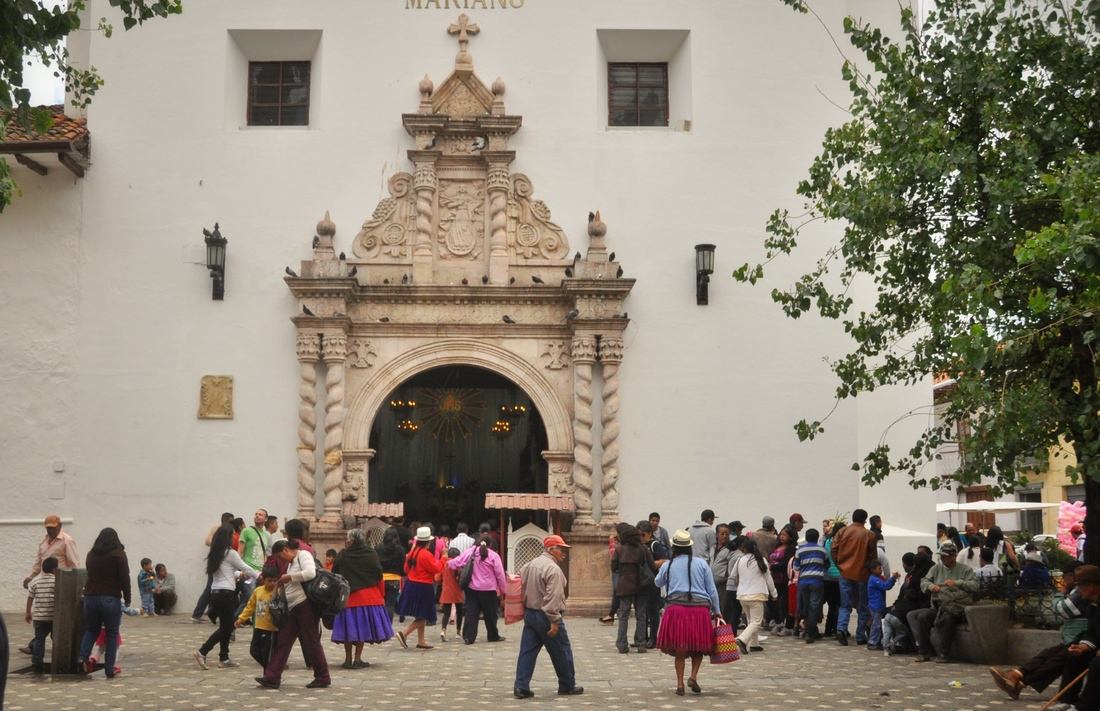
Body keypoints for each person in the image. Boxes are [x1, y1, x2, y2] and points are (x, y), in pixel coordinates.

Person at [990, 562, 1090, 700]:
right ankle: (1017, 675)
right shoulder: (1081, 592)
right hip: (1079, 639)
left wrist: (1060, 594)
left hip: (1085, 640)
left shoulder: (1085, 594)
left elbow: (1063, 609)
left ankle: (1019, 681)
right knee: (1048, 654)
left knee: (1060, 659)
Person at [513, 535, 582, 699]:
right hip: (546, 616)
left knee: (527, 652)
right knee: (561, 650)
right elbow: (554, 597)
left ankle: (521, 686)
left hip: (530, 613)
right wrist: (555, 621)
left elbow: (518, 580)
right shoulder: (553, 569)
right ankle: (567, 684)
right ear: (551, 550)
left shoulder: (531, 564)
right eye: (561, 549)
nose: (564, 553)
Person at [654, 529, 721, 696]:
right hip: (700, 610)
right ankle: (693, 676)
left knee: (680, 648)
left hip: (675, 610)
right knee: (699, 646)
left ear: (674, 547)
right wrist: (717, 611)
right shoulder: (701, 564)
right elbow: (712, 590)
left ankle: (679, 685)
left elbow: (657, 583)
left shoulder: (668, 565)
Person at [257, 538, 331, 689]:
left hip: (305, 606)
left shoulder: (303, 555)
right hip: (293, 607)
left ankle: (323, 676)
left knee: (312, 642)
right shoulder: (291, 563)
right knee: (283, 641)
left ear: (285, 550)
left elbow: (310, 573)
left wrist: (289, 577)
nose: (279, 560)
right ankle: (272, 677)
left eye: (279, 556)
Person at [193, 524, 259, 670]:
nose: (234, 538)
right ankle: (202, 651)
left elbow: (225, 572)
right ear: (228, 537)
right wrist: (260, 575)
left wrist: (238, 575)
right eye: (233, 535)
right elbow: (245, 567)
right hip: (227, 593)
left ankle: (224, 657)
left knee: (225, 626)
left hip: (216, 593)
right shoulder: (230, 553)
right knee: (228, 627)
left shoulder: (215, 553)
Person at [907, 540, 978, 662]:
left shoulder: (965, 570)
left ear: (953, 556)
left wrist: (957, 583)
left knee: (948, 618)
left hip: (956, 607)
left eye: (946, 556)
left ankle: (944, 653)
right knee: (922, 617)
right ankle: (924, 652)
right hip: (939, 605)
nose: (943, 559)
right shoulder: (936, 568)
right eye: (942, 556)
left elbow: (975, 586)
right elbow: (924, 581)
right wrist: (931, 586)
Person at [19, 513, 80, 656]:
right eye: (48, 528)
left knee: (57, 621)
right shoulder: (44, 542)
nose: (50, 531)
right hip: (43, 584)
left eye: (53, 528)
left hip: (61, 584)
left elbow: (74, 564)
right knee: (45, 617)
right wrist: (30, 577)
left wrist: (74, 585)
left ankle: (52, 649)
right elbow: (38, 562)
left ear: (60, 526)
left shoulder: (67, 541)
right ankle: (36, 645)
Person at [331, 527, 392, 667]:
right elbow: (378, 573)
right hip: (368, 597)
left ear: (351, 541)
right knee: (362, 629)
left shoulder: (343, 555)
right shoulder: (371, 554)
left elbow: (335, 574)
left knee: (348, 629)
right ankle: (357, 659)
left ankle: (347, 659)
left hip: (347, 598)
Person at [1041, 566, 1100, 711]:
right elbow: (1092, 632)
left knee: (1097, 664)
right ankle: (1067, 700)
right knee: (1074, 654)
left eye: (1080, 586)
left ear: (1092, 586)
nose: (1078, 590)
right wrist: (1084, 646)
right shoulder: (1092, 605)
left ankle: (1084, 707)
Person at [77, 528, 131, 679]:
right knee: (112, 634)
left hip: (90, 597)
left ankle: (82, 658)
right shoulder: (118, 554)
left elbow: (89, 573)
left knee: (91, 630)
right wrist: (127, 597)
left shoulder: (91, 554)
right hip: (110, 597)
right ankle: (109, 669)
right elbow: (124, 577)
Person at [447, 534, 508, 644]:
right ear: (490, 545)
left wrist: (447, 561)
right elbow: (500, 575)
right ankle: (493, 635)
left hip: (472, 589)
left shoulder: (470, 552)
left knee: (471, 613)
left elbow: (456, 563)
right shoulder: (494, 555)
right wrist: (504, 590)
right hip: (489, 590)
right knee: (490, 615)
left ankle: (469, 637)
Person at [832, 508, 878, 646]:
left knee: (845, 605)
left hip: (844, 573)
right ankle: (860, 636)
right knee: (862, 606)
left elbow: (833, 550)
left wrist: (839, 565)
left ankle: (841, 629)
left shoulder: (842, 531)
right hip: (862, 574)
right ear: (865, 519)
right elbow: (873, 557)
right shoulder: (869, 535)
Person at [395, 527, 443, 650]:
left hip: (411, 584)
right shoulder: (425, 554)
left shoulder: (412, 552)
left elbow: (406, 569)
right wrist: (443, 558)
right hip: (423, 586)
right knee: (425, 615)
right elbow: (436, 568)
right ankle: (404, 633)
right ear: (428, 541)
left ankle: (421, 640)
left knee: (420, 614)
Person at [610, 523, 655, 653]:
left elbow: (614, 567)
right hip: (641, 584)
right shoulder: (643, 549)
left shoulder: (619, 549)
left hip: (624, 584)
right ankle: (641, 643)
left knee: (623, 614)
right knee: (641, 614)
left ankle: (622, 643)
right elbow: (651, 565)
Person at [883, 552, 933, 655]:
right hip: (905, 608)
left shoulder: (916, 576)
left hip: (906, 609)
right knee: (904, 629)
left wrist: (897, 604)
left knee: (897, 620)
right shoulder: (915, 575)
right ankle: (896, 644)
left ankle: (886, 645)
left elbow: (915, 594)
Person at [733, 537, 776, 654]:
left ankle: (754, 644)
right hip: (756, 595)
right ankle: (742, 639)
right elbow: (768, 578)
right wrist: (774, 593)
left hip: (742, 595)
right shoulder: (761, 560)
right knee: (756, 622)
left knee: (750, 620)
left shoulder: (739, 560)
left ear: (744, 548)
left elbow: (733, 576)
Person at [235, 565, 279, 672]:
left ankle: (268, 673)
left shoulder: (278, 592)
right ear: (263, 580)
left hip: (272, 629)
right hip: (259, 626)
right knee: (253, 651)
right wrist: (241, 619)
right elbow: (250, 606)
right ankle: (270, 669)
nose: (272, 583)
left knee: (266, 653)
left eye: (275, 581)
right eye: (269, 581)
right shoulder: (258, 591)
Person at [193, 512, 234, 623]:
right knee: (210, 588)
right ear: (224, 520)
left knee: (215, 589)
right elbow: (207, 541)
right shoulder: (217, 528)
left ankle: (212, 612)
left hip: (224, 561)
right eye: (230, 521)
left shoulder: (229, 530)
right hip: (216, 561)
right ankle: (197, 614)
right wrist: (219, 542)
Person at [793, 528, 827, 642]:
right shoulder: (822, 550)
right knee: (814, 607)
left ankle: (807, 630)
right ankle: (810, 633)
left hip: (803, 581)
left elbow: (796, 567)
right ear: (817, 538)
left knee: (806, 606)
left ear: (806, 538)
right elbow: (827, 564)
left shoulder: (799, 551)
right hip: (817, 581)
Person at [25, 556, 58, 674]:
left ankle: (37, 663)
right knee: (57, 639)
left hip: (39, 617)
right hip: (54, 617)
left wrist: (28, 612)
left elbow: (30, 598)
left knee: (39, 639)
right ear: (55, 569)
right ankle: (58, 661)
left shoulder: (35, 581)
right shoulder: (57, 581)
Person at [639, 521, 668, 647]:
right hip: (641, 582)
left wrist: (652, 564)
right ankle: (642, 637)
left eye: (643, 534)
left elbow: (665, 560)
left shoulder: (655, 545)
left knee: (653, 611)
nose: (640, 537)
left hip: (653, 582)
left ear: (649, 534)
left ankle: (653, 638)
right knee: (642, 611)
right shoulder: (639, 546)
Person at [865, 560, 899, 651]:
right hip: (875, 606)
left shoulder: (878, 578)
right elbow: (885, 586)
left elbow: (886, 586)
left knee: (877, 624)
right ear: (872, 570)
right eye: (879, 569)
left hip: (878, 605)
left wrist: (892, 580)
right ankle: (872, 642)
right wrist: (893, 578)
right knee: (876, 625)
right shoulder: (874, 580)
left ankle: (876, 641)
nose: (881, 570)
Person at [769, 527, 798, 634]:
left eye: (784, 535)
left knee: (785, 603)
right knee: (772, 601)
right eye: (781, 534)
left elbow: (786, 564)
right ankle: (778, 622)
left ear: (790, 537)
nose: (781, 537)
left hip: (784, 579)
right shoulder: (777, 546)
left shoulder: (791, 549)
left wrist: (772, 567)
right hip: (774, 579)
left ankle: (788, 626)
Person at [377, 528, 405, 622]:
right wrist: (402, 574)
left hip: (381, 578)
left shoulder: (378, 548)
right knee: (390, 605)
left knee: (380, 603)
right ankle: (388, 626)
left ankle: (380, 626)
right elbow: (402, 565)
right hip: (394, 579)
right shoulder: (400, 550)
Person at [822, 521, 844, 637]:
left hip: (828, 576)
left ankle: (828, 628)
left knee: (832, 604)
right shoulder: (841, 543)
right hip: (839, 575)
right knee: (839, 604)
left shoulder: (827, 541)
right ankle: (836, 628)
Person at [439, 546, 465, 641]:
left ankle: (443, 630)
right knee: (459, 611)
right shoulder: (456, 565)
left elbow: (439, 577)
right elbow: (460, 576)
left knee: (446, 613)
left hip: (446, 590)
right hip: (457, 590)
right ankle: (458, 632)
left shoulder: (445, 564)